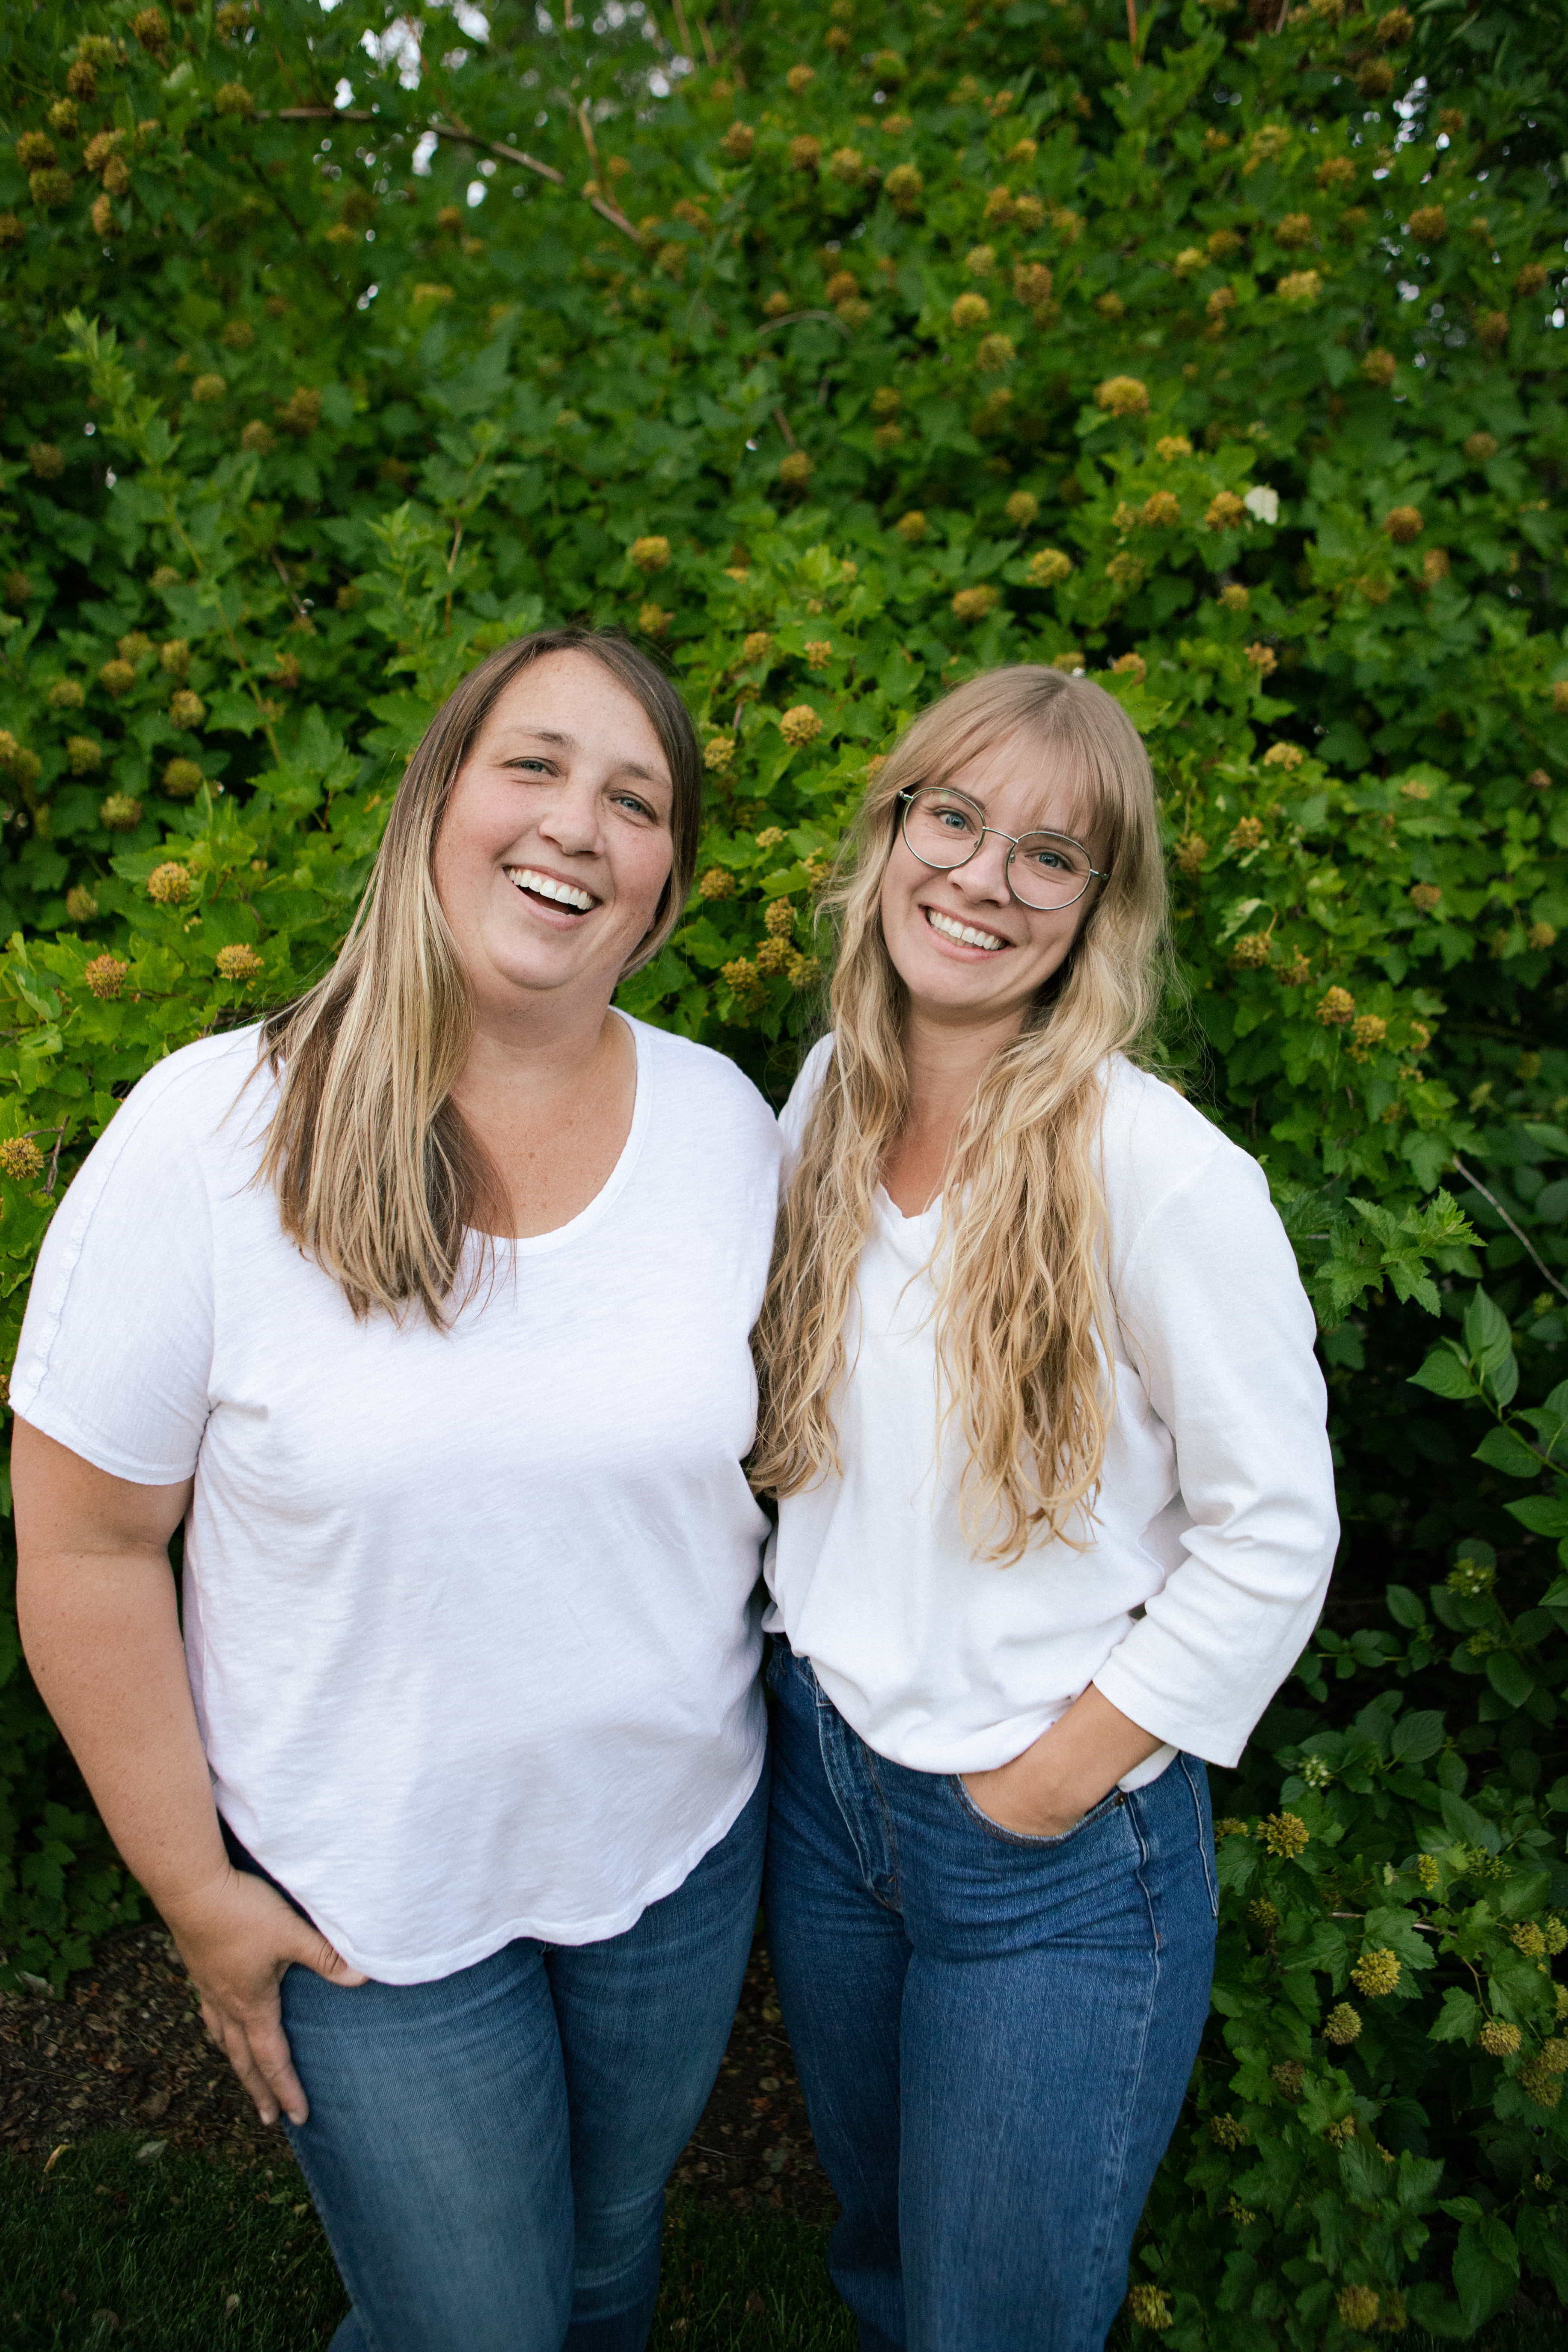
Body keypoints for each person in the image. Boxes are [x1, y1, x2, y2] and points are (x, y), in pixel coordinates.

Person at [12, 629, 781, 2352]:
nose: (575, 823)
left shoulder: (733, 1130)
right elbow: (81, 1541)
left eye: (633, 798)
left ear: (665, 888)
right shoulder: (213, 1134)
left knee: (602, 2271)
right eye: (532, 765)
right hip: (368, 1909)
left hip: (672, 1858)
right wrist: (200, 1898)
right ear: (436, 800)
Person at [750, 664, 1338, 2352]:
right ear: (888, 836)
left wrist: (1050, 1782)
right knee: (880, 2266)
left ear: (1096, 908)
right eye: (951, 819)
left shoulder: (1157, 1172)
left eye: (1047, 854)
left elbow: (1274, 1526)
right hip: (830, 1795)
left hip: (1049, 1852)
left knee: (991, 2322)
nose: (981, 878)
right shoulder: (821, 1107)